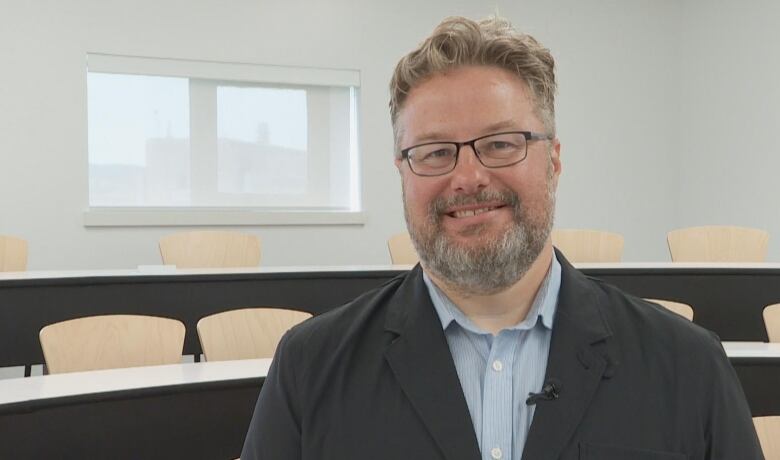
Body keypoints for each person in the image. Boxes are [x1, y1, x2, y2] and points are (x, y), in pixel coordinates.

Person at [241, 16, 763, 460]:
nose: (467, 177)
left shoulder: (688, 365)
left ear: (554, 159)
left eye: (500, 143)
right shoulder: (309, 369)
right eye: (435, 151)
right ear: (403, 171)